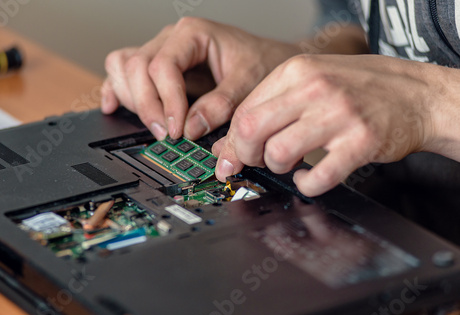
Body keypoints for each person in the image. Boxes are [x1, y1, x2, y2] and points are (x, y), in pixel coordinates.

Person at [101, 0, 460, 243]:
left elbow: (415, 90)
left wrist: (430, 102)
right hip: (385, 226)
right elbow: (356, 27)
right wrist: (297, 61)